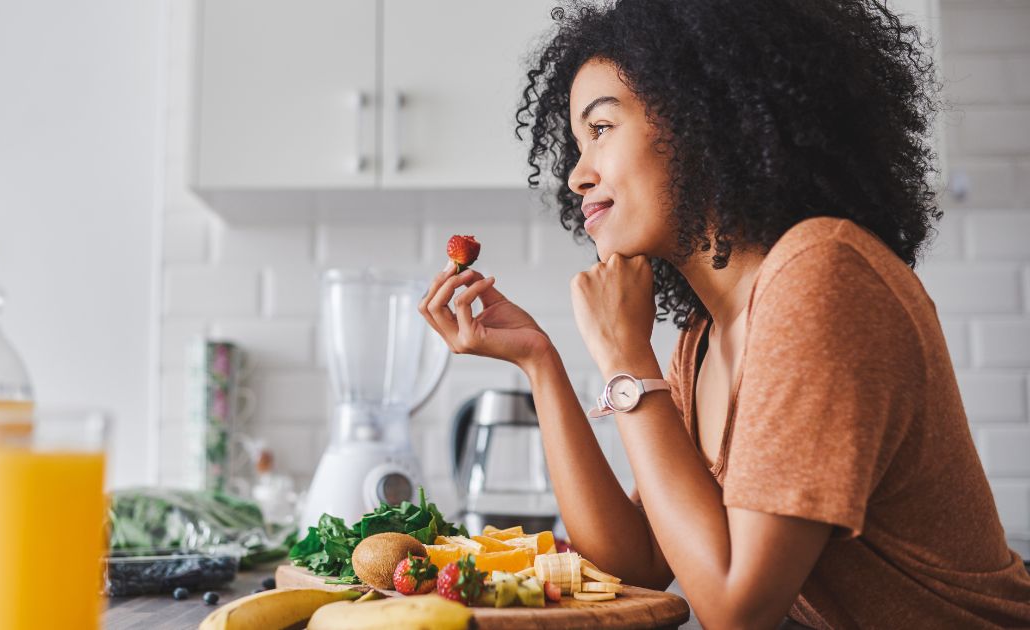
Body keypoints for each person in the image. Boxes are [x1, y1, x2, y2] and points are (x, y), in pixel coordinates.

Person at [418, 1, 1030, 627]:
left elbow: (736, 609)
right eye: (577, 144)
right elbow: (640, 559)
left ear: (702, 120)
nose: (577, 175)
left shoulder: (823, 275)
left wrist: (627, 361)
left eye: (600, 130)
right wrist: (539, 361)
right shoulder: (703, 338)